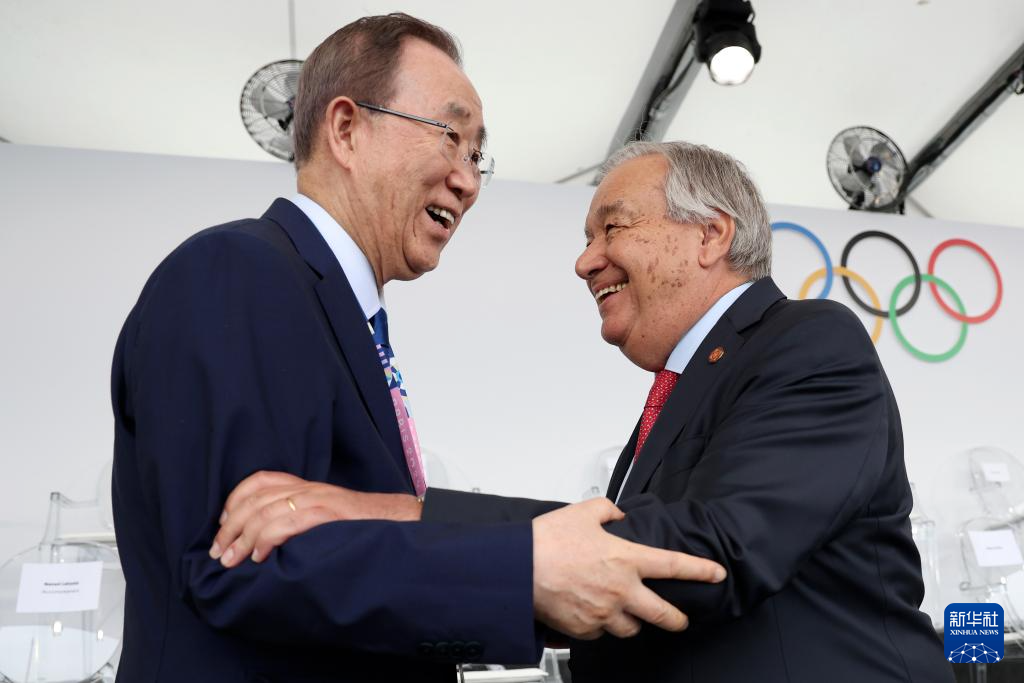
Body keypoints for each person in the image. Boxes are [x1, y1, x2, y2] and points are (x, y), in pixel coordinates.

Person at [109, 15, 727, 683]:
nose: (468, 181)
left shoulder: (341, 316)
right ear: (347, 129)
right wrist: (522, 568)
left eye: (477, 156)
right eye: (450, 136)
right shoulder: (238, 272)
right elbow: (239, 560)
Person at [214, 141, 955, 682]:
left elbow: (708, 552)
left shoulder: (809, 340)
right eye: (586, 238)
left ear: (710, 234)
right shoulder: (683, 388)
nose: (585, 260)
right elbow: (599, 579)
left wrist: (400, 518)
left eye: (613, 228)